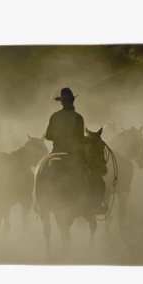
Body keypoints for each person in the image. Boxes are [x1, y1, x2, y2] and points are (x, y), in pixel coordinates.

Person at [43, 87, 107, 215]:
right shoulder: (77, 117)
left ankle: (39, 204)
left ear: (61, 102)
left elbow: (48, 136)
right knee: (95, 175)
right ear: (73, 101)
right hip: (73, 153)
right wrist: (90, 140)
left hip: (55, 151)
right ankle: (96, 205)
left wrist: (59, 136)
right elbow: (79, 138)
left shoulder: (54, 116)